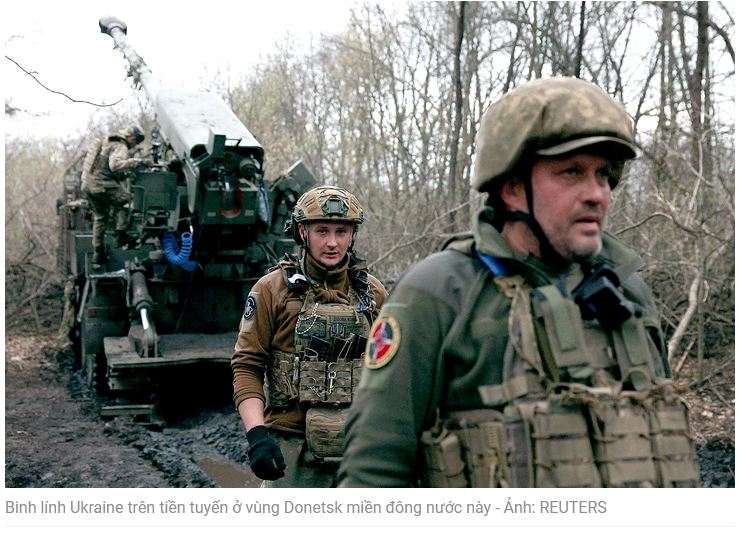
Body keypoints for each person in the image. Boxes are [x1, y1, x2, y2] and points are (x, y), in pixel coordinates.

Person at [337, 77, 700, 488]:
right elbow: (373, 472)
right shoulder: (439, 292)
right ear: (512, 188)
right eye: (572, 172)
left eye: (603, 175)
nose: (597, 194)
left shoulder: (628, 292)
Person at [231, 185, 389, 487]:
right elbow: (247, 365)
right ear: (303, 232)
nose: (332, 243)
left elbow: (391, 370)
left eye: (341, 232)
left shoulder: (372, 293)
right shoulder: (271, 290)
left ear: (352, 235)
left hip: (359, 446)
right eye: (322, 231)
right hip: (292, 445)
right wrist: (257, 435)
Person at [81, 125, 151, 266]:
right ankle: (120, 235)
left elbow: (105, 168)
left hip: (87, 185)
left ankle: (98, 253)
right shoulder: (120, 146)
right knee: (128, 201)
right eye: (136, 141)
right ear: (132, 138)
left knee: (100, 217)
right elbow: (115, 165)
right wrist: (138, 162)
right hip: (101, 184)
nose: (134, 145)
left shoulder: (108, 142)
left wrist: (124, 174)